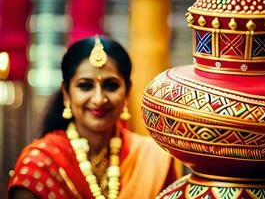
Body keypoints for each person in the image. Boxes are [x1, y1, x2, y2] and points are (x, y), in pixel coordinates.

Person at [7, 36, 177, 199]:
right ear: (66, 93)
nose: (98, 99)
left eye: (111, 85)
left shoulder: (152, 159)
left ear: (127, 91)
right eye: (85, 86)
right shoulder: (40, 164)